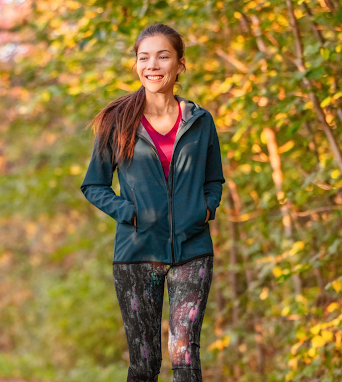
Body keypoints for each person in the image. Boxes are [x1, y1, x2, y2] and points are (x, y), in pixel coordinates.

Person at [80, 24, 225, 382]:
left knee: (185, 352)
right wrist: (129, 212)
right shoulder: (118, 121)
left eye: (163, 55)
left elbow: (214, 179)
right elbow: (93, 184)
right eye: (144, 57)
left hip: (193, 250)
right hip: (136, 254)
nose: (153, 64)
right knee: (144, 362)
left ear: (180, 64)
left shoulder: (200, 121)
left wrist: (206, 208)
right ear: (136, 65)